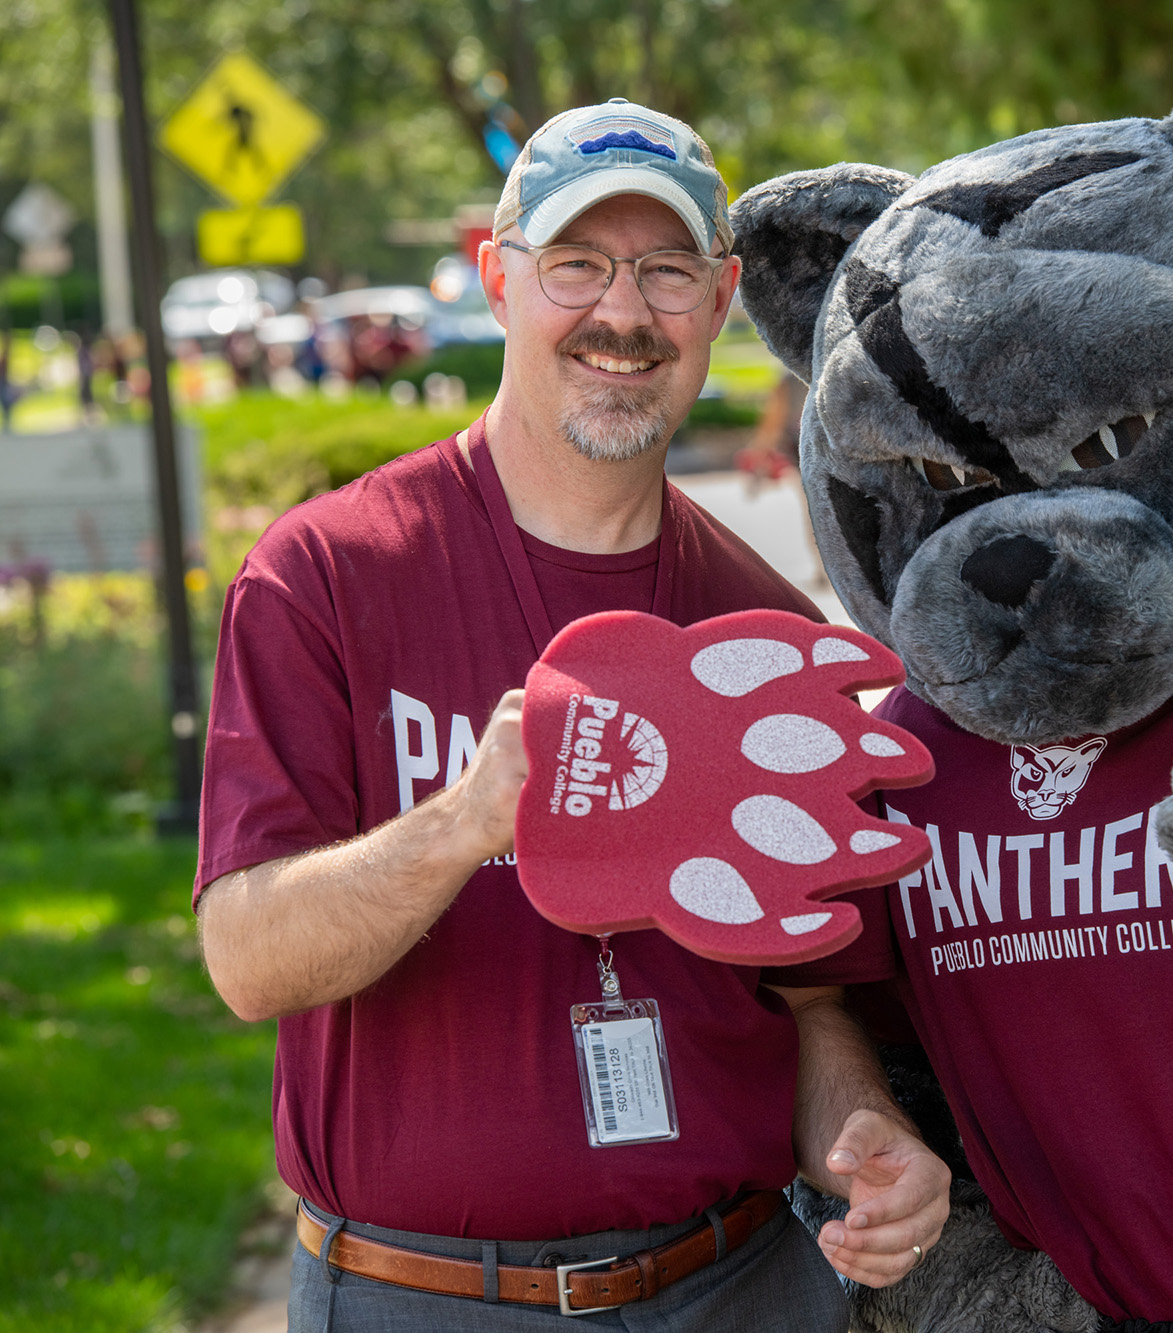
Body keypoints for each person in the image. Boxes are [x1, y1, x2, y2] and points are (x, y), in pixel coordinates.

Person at [195, 98, 948, 1331]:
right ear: (497, 280)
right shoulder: (326, 574)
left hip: (738, 1286)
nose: (621, 313)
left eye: (663, 271)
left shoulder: (763, 639)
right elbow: (246, 958)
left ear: (719, 301)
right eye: (577, 265)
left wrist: (862, 1131)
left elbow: (815, 999)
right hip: (422, 1295)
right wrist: (465, 820)